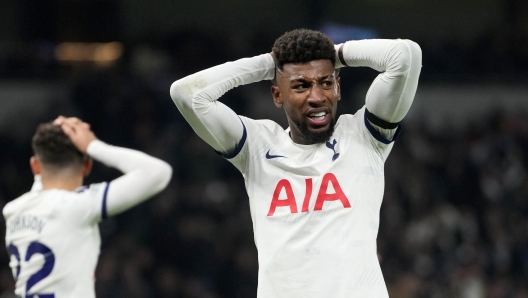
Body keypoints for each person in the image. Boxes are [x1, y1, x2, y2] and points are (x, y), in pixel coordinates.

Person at [170, 28, 421, 297]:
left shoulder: (363, 137)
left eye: (325, 82)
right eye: (301, 85)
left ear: (337, 87)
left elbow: (406, 56)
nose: (316, 97)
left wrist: (334, 54)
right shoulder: (257, 146)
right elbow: (187, 94)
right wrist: (268, 64)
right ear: (278, 96)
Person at [3, 116, 172, 298]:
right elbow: (158, 173)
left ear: (35, 166)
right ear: (87, 166)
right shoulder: (79, 206)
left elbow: (43, 186)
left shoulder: (13, 210)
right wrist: (94, 146)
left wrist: (53, 135)